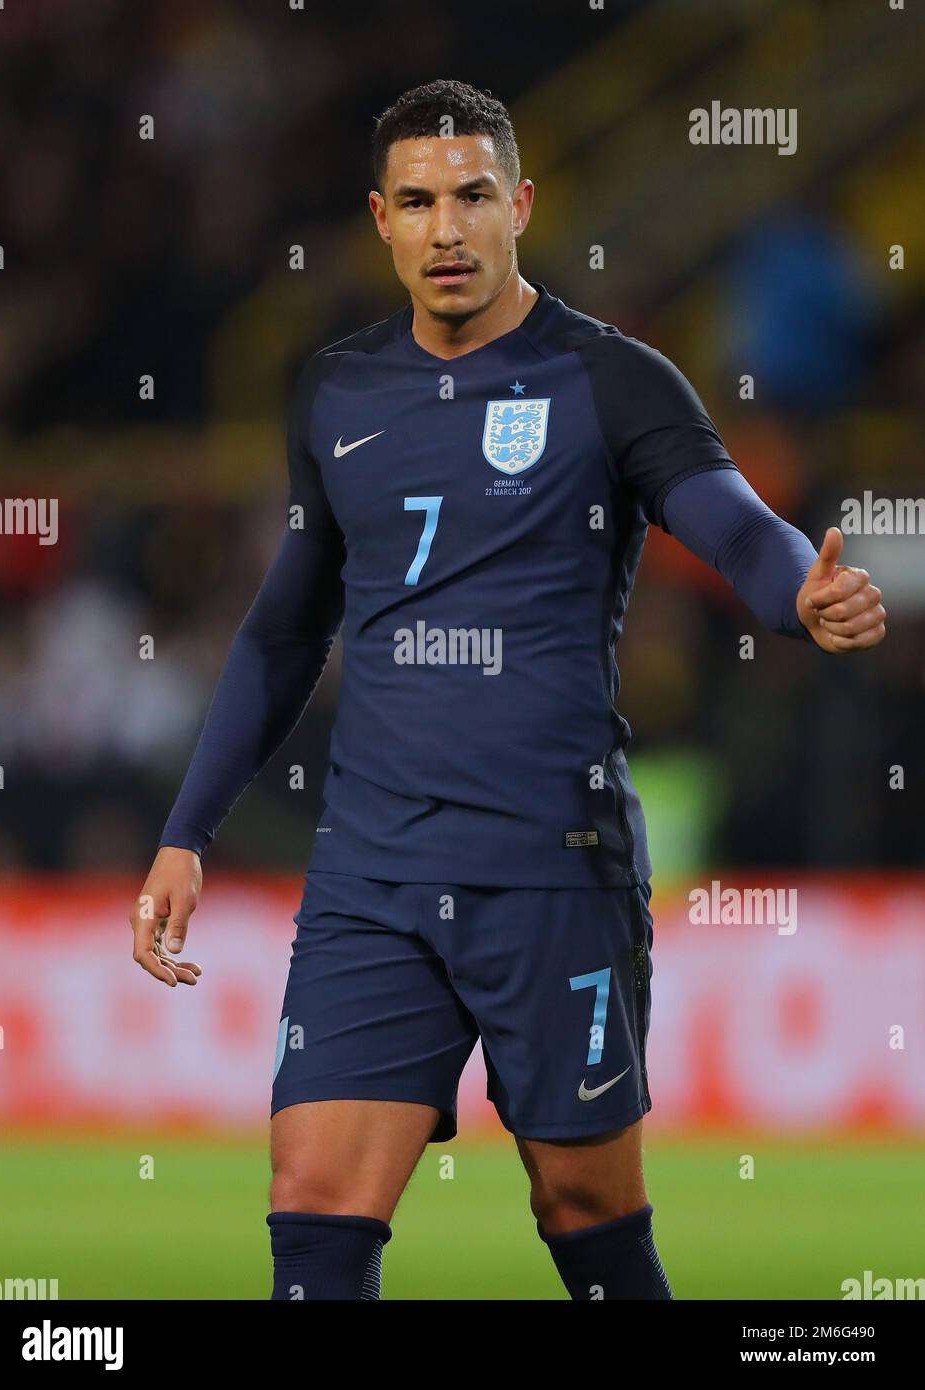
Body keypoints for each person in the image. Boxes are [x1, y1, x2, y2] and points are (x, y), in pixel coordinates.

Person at [129, 79, 887, 1301]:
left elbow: (737, 532)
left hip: (550, 861)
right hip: (372, 868)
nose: (446, 229)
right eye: (418, 202)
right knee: (313, 1198)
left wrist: (800, 595)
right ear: (379, 218)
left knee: (582, 1203)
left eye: (473, 196)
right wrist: (185, 831)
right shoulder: (335, 389)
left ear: (520, 204)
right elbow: (282, 631)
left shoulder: (609, 381)